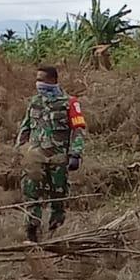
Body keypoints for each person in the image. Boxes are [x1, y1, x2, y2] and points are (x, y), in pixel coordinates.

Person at [17, 65, 86, 243]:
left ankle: (55, 234)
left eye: (42, 79)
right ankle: (32, 234)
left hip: (58, 158)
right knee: (31, 194)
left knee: (58, 198)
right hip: (35, 156)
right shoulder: (35, 102)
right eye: (37, 79)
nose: (38, 83)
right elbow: (25, 127)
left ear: (53, 80)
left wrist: (75, 153)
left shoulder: (70, 102)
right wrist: (19, 150)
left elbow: (78, 129)